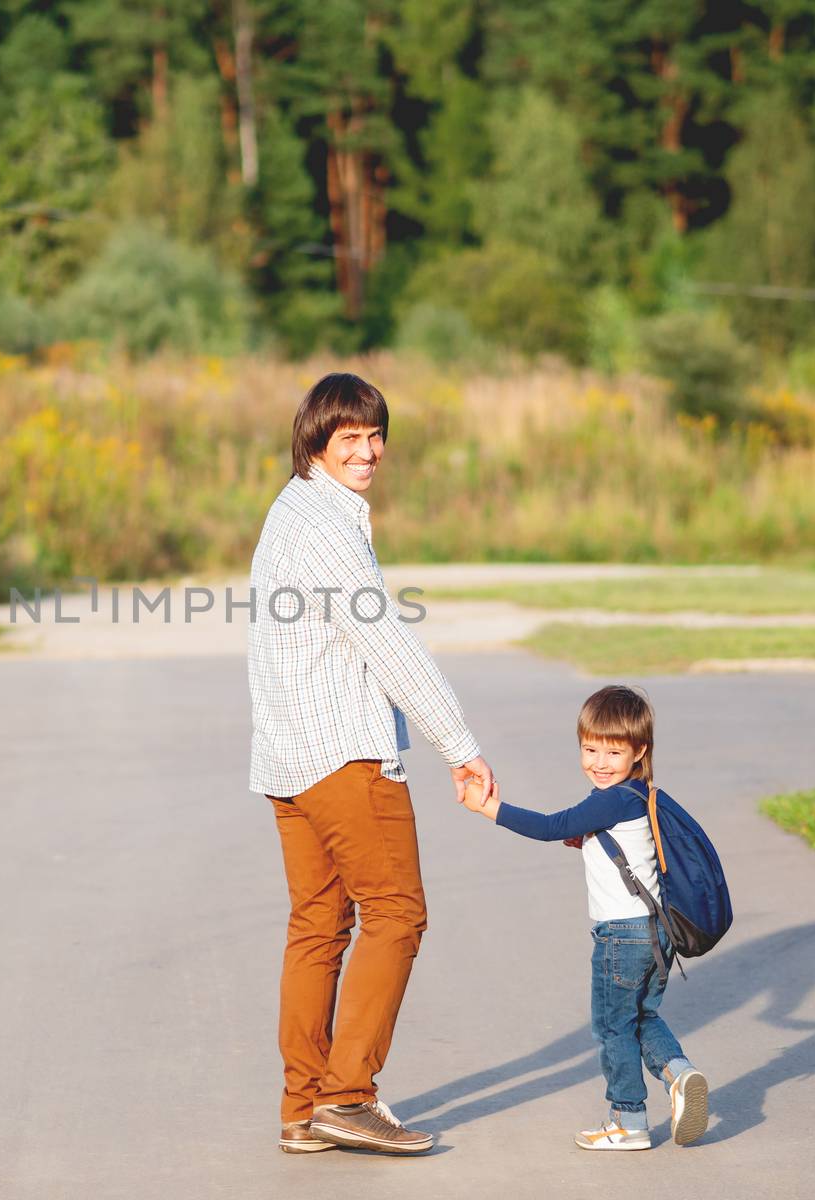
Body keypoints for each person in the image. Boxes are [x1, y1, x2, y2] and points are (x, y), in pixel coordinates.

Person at [248, 372, 494, 1156]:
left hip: (290, 760)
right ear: (314, 442)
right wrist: (461, 746)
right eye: (348, 438)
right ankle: (347, 1098)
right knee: (397, 913)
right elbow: (389, 645)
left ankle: (302, 1107)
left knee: (319, 925)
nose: (368, 451)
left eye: (375, 435)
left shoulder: (292, 511)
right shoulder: (326, 527)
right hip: (343, 757)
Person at [460, 684, 709, 1150]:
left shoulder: (609, 800)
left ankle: (628, 1121)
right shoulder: (638, 795)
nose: (599, 761)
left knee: (612, 1026)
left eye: (613, 751)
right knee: (639, 1016)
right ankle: (679, 1073)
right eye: (590, 748)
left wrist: (488, 807)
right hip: (656, 933)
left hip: (621, 934)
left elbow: (550, 826)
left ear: (640, 751)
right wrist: (589, 838)